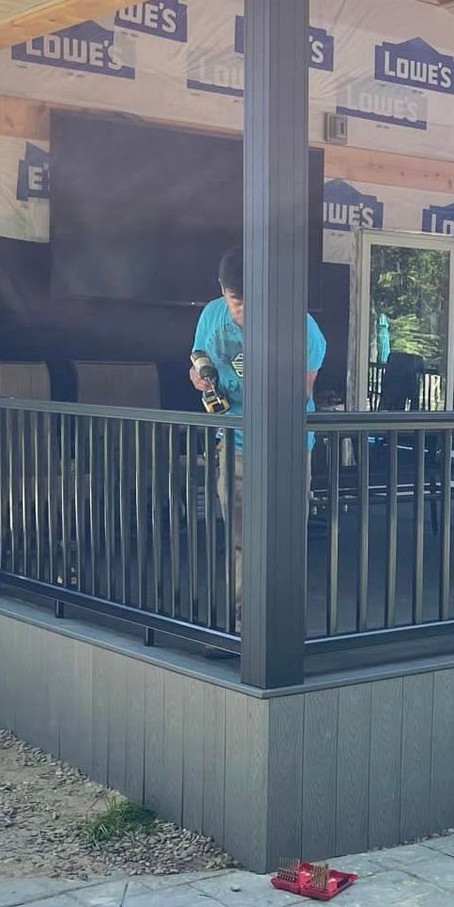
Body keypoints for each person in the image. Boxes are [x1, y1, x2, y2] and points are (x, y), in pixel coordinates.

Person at [189, 248, 325, 625]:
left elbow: (301, 392)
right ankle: (242, 624)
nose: (245, 311)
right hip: (233, 443)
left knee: (283, 539)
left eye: (255, 301)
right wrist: (200, 379)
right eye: (237, 302)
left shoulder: (300, 325)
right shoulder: (211, 317)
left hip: (286, 446)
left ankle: (281, 626)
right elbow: (198, 362)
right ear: (223, 290)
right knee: (239, 538)